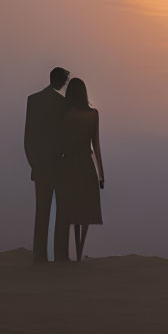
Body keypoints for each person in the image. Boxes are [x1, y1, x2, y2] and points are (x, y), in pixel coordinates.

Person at [53, 78, 104, 263]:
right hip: (86, 165)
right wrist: (101, 173)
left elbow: (59, 142)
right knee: (85, 211)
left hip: (68, 165)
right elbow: (96, 145)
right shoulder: (93, 114)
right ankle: (80, 252)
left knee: (71, 209)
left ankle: (75, 252)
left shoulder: (66, 114)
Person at [23, 67, 69, 264]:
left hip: (41, 164)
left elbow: (28, 137)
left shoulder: (33, 100)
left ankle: (39, 254)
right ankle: (60, 254)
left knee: (42, 211)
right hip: (58, 164)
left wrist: (34, 163)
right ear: (60, 81)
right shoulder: (63, 103)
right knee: (61, 211)